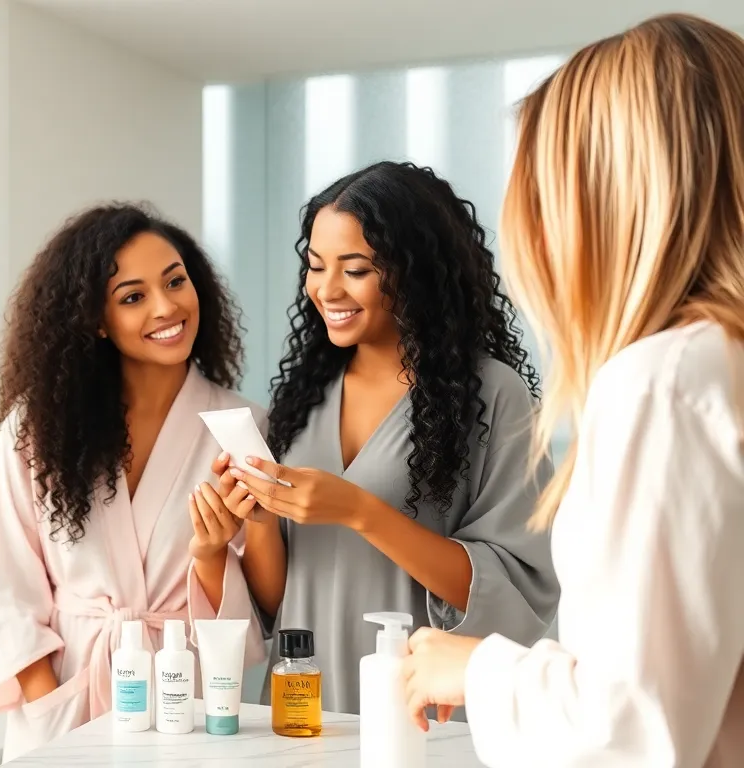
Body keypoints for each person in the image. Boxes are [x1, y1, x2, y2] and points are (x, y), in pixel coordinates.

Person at [402, 14, 744, 767]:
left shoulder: (667, 382)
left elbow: (633, 731)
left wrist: (477, 667)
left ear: (606, 201)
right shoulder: (721, 367)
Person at [208, 160, 560, 715]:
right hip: (304, 702)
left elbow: (513, 590)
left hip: (418, 700)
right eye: (316, 265)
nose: (326, 289)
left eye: (356, 269)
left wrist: (360, 511)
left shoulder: (492, 395)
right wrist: (258, 520)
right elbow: (283, 600)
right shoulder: (302, 399)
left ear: (415, 272)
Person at [0, 203, 266, 759]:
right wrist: (52, 704)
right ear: (96, 320)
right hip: (67, 692)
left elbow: (264, 599)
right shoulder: (38, 428)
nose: (166, 307)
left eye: (176, 281)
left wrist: (210, 555)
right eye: (133, 296)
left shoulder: (242, 427)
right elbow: (3, 582)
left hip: (187, 699)